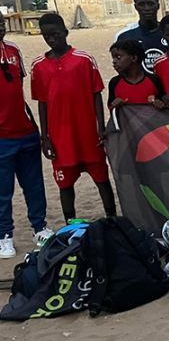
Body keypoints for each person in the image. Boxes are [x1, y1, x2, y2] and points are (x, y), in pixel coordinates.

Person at [32, 13, 116, 223]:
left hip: (87, 133)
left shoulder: (84, 59)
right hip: (60, 136)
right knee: (65, 184)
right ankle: (70, 223)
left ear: (65, 33)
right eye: (46, 36)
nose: (51, 39)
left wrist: (100, 126)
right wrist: (45, 137)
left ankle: (112, 219)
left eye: (55, 34)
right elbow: (42, 102)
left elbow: (96, 93)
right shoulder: (39, 66)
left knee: (102, 180)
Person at [0, 14, 50, 258]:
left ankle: (39, 228)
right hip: (2, 137)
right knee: (3, 190)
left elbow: (17, 88)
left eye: (1, 23)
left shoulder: (13, 50)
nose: (0, 28)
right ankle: (4, 235)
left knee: (34, 185)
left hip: (26, 131)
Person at [116, 0, 165, 73]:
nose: (146, 8)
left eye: (150, 4)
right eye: (142, 4)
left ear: (158, 6)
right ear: (136, 7)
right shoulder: (125, 37)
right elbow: (121, 67)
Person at [107, 39, 165, 109]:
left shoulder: (154, 80)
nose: (114, 61)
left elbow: (163, 107)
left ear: (134, 58)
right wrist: (115, 104)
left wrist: (158, 103)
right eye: (113, 58)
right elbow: (111, 109)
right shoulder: (114, 83)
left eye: (118, 57)